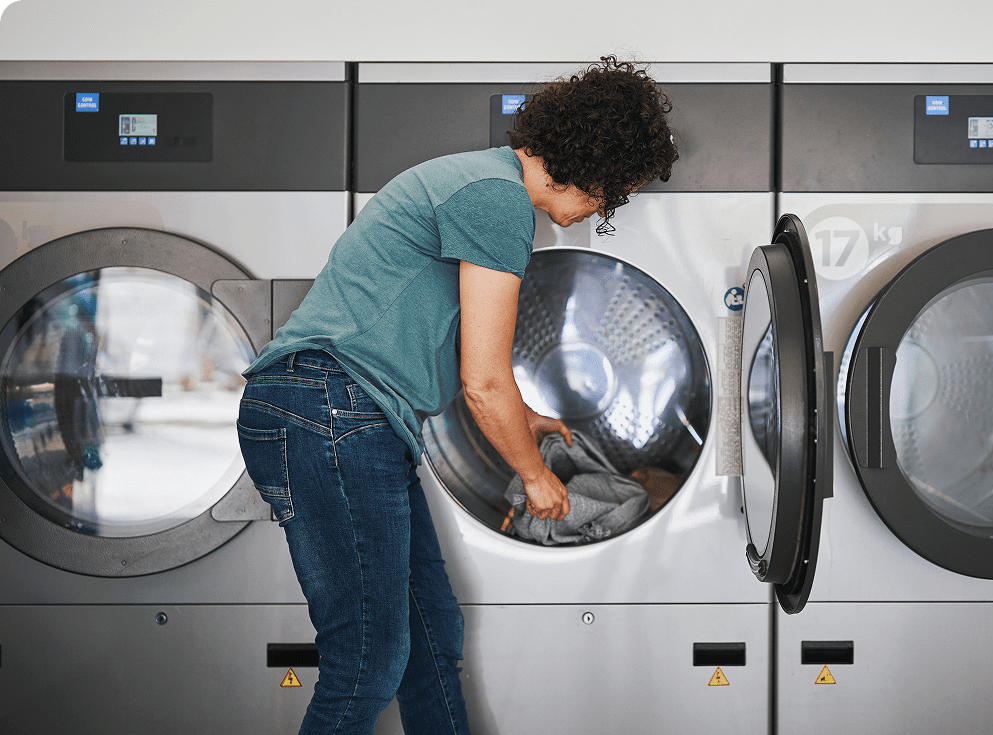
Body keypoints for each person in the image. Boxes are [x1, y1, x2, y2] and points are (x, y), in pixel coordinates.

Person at [235, 56, 678, 735]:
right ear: (596, 165)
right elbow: (482, 381)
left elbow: (445, 339)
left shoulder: (481, 182)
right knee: (369, 659)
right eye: (615, 193)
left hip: (342, 414)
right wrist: (535, 478)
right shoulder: (497, 200)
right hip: (330, 411)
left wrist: (524, 416)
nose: (605, 209)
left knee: (429, 637)